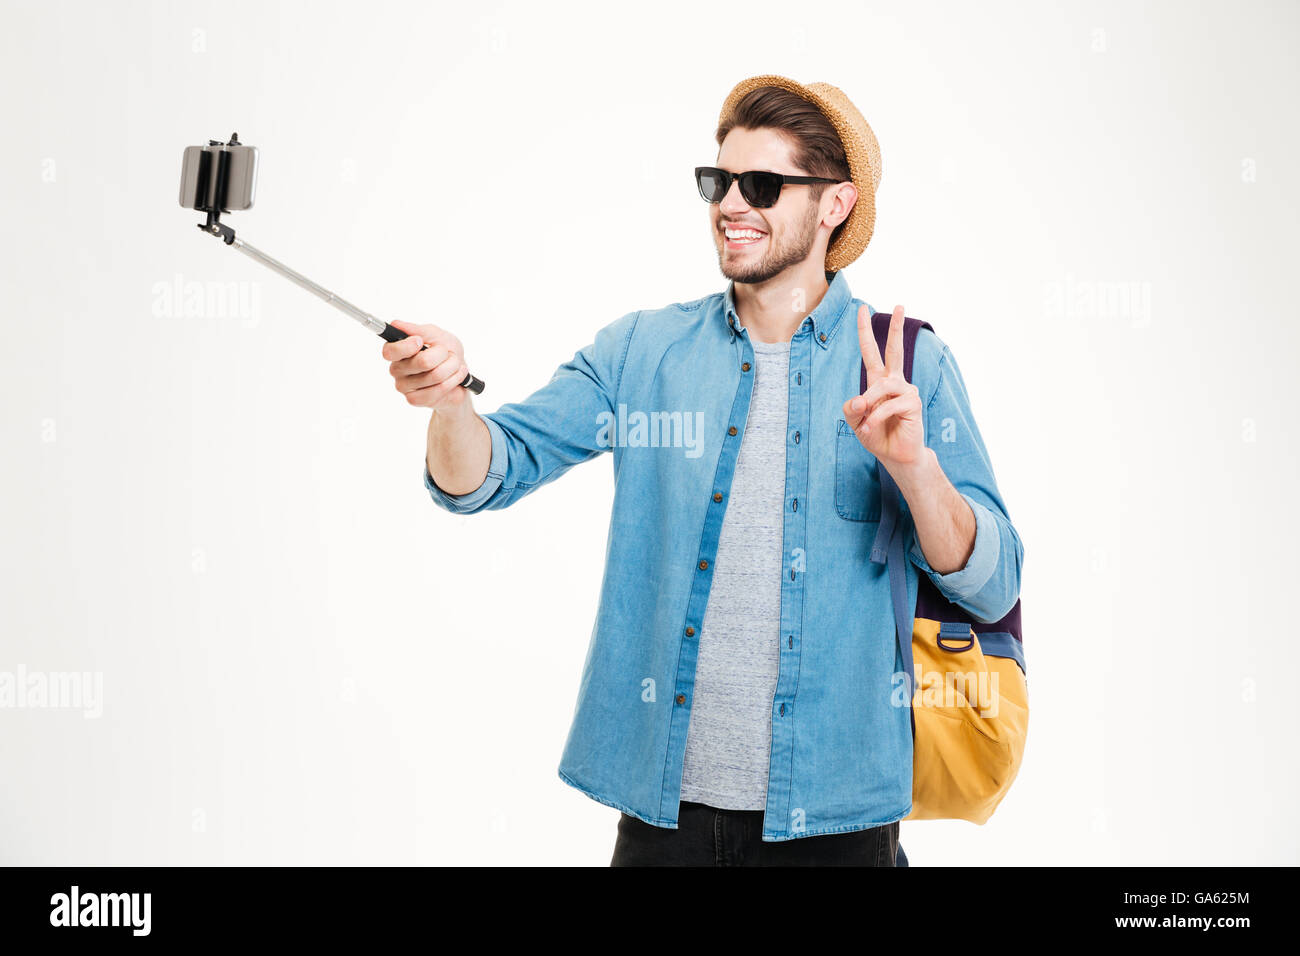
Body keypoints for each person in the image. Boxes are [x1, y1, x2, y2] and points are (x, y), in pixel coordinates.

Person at [383, 75, 1023, 866]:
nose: (730, 205)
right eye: (719, 182)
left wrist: (915, 469)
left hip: (837, 822)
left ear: (835, 205)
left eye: (762, 185)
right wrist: (450, 402)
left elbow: (994, 584)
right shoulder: (642, 352)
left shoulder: (904, 364)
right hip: (664, 826)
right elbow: (486, 474)